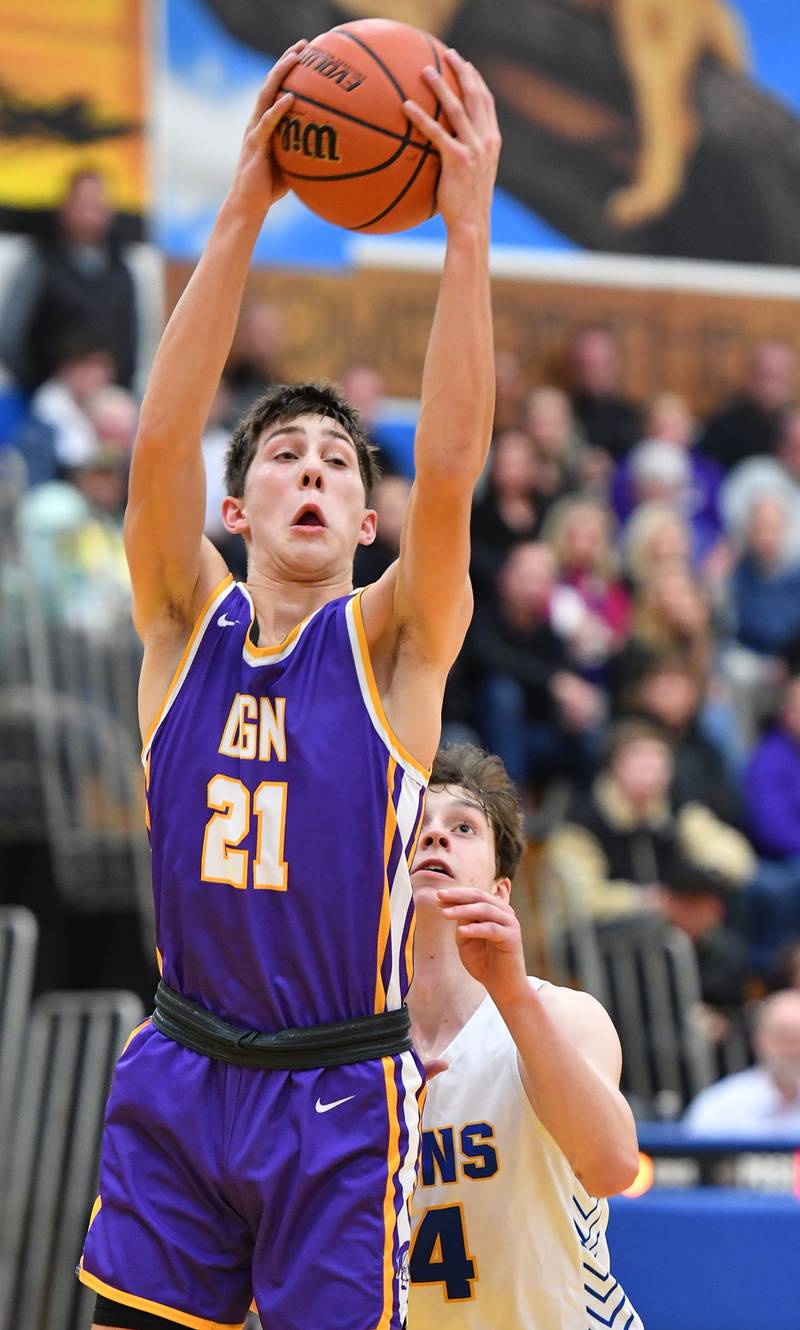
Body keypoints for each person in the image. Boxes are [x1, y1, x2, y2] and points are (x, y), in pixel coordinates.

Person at [78, 43, 501, 1330]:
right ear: (234, 503)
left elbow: (447, 475)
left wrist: (466, 228)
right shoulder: (177, 625)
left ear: (364, 522)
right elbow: (156, 437)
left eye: (336, 462)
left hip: (336, 1099)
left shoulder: (392, 648)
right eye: (283, 456)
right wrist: (248, 200)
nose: (313, 472)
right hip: (181, 1069)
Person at [406, 743, 642, 1328]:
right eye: (416, 822)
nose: (435, 836)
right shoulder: (340, 1044)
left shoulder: (563, 1013)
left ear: (499, 891)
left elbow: (613, 1168)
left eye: (462, 827)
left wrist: (510, 995)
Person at [0, 169, 138, 392]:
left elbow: (131, 343)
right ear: (65, 207)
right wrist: (39, 384)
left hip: (106, 399)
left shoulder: (122, 271)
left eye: (99, 204)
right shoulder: (40, 263)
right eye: (85, 203)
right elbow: (10, 339)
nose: (92, 213)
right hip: (45, 393)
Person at [683, 990, 800, 1137]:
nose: (793, 1049)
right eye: (783, 1037)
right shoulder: (719, 1106)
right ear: (759, 1040)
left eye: (798, 1038)